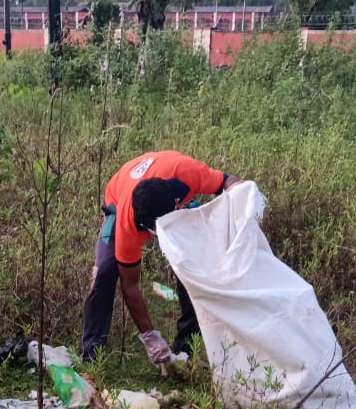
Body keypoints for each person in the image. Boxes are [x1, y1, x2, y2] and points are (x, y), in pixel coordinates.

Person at [81, 151, 241, 365]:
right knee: (105, 271)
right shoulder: (129, 224)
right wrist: (150, 337)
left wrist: (241, 199)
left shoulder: (188, 174)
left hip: (170, 190)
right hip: (120, 194)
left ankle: (186, 348)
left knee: (192, 267)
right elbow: (130, 286)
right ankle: (91, 356)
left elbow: (227, 180)